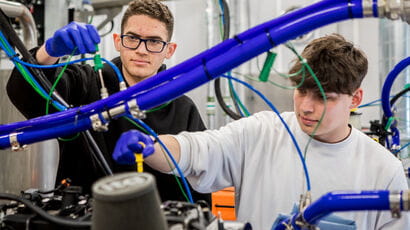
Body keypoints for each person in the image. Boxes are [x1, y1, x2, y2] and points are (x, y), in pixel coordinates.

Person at [112, 34, 410, 229]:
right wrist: (152, 146)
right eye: (301, 91)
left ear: (355, 99)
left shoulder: (383, 171)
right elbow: (198, 149)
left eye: (323, 97)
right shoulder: (264, 131)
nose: (306, 106)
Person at [6, 0, 211, 204]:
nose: (142, 49)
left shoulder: (183, 109)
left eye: (154, 41)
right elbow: (25, 93)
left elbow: (202, 183)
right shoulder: (85, 84)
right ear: (118, 41)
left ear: (170, 50)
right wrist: (48, 52)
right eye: (132, 38)